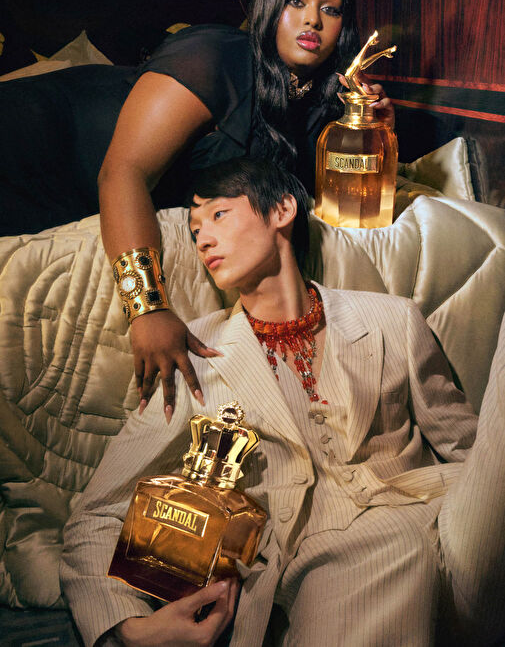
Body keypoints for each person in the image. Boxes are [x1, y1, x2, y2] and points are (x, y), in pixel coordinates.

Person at [60, 157, 505, 647]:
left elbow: (475, 452)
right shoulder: (194, 358)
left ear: (282, 211)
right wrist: (126, 631)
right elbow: (95, 517)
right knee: (389, 543)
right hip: (321, 561)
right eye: (194, 230)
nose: (203, 239)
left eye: (218, 215)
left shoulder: (392, 319)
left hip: (453, 530)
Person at [0, 0, 394, 421]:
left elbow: (335, 197)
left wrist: (379, 131)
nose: (313, 20)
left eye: (330, 9)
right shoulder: (215, 56)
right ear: (268, 6)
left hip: (69, 192)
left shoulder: (320, 104)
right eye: (295, 2)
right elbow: (123, 173)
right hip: (35, 143)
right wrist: (147, 307)